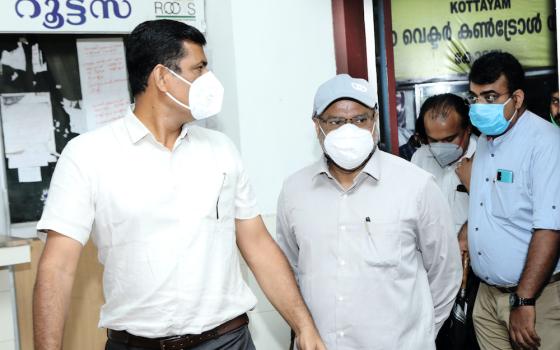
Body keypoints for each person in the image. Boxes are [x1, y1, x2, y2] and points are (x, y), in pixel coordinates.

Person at [33, 20, 325, 350]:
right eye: (198, 69)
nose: (209, 81)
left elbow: (257, 245)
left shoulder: (221, 150)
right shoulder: (89, 155)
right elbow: (57, 267)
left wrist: (304, 326)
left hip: (226, 340)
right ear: (162, 78)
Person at [276, 74, 462, 349]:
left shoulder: (416, 185)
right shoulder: (295, 191)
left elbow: (445, 273)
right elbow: (289, 271)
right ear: (317, 125)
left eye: (360, 119)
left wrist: (417, 335)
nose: (349, 130)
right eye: (336, 122)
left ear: (374, 120)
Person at [466, 52, 560, 350]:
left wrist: (524, 299)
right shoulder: (485, 139)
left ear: (517, 98)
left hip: (533, 300)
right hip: (487, 298)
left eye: (491, 97)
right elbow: (488, 205)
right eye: (475, 97)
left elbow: (550, 228)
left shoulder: (545, 143)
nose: (480, 107)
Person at [411, 93, 480, 350]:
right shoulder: (420, 159)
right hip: (432, 273)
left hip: (473, 276)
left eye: (449, 139)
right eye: (433, 140)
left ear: (467, 129)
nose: (440, 146)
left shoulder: (485, 155)